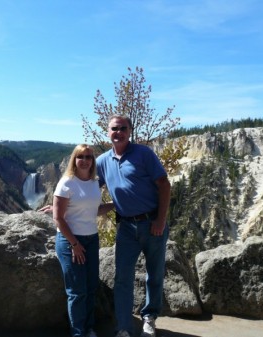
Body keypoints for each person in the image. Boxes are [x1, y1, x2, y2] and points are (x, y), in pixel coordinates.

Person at [96, 115, 171, 337]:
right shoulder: (102, 161)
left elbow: (164, 185)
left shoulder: (144, 154)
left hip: (152, 223)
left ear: (130, 131)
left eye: (122, 128)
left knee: (154, 273)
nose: (118, 132)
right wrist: (60, 204)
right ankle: (124, 327)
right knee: (122, 278)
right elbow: (88, 190)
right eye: (114, 128)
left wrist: (160, 220)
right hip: (126, 227)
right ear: (107, 132)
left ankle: (149, 317)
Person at [47, 144, 114, 337]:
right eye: (80, 157)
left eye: (89, 157)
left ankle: (89, 328)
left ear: (93, 161)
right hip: (70, 242)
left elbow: (94, 210)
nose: (85, 161)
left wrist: (114, 204)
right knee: (77, 291)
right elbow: (58, 218)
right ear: (74, 160)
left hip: (92, 239)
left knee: (91, 287)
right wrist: (74, 244)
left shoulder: (94, 182)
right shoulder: (66, 183)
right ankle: (78, 332)